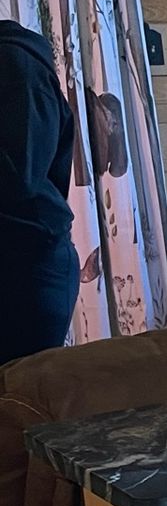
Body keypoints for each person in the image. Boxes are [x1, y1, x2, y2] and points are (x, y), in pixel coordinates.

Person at [0, 20, 79, 364]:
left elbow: (19, 175)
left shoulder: (15, 64)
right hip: (17, 256)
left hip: (27, 265)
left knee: (20, 400)